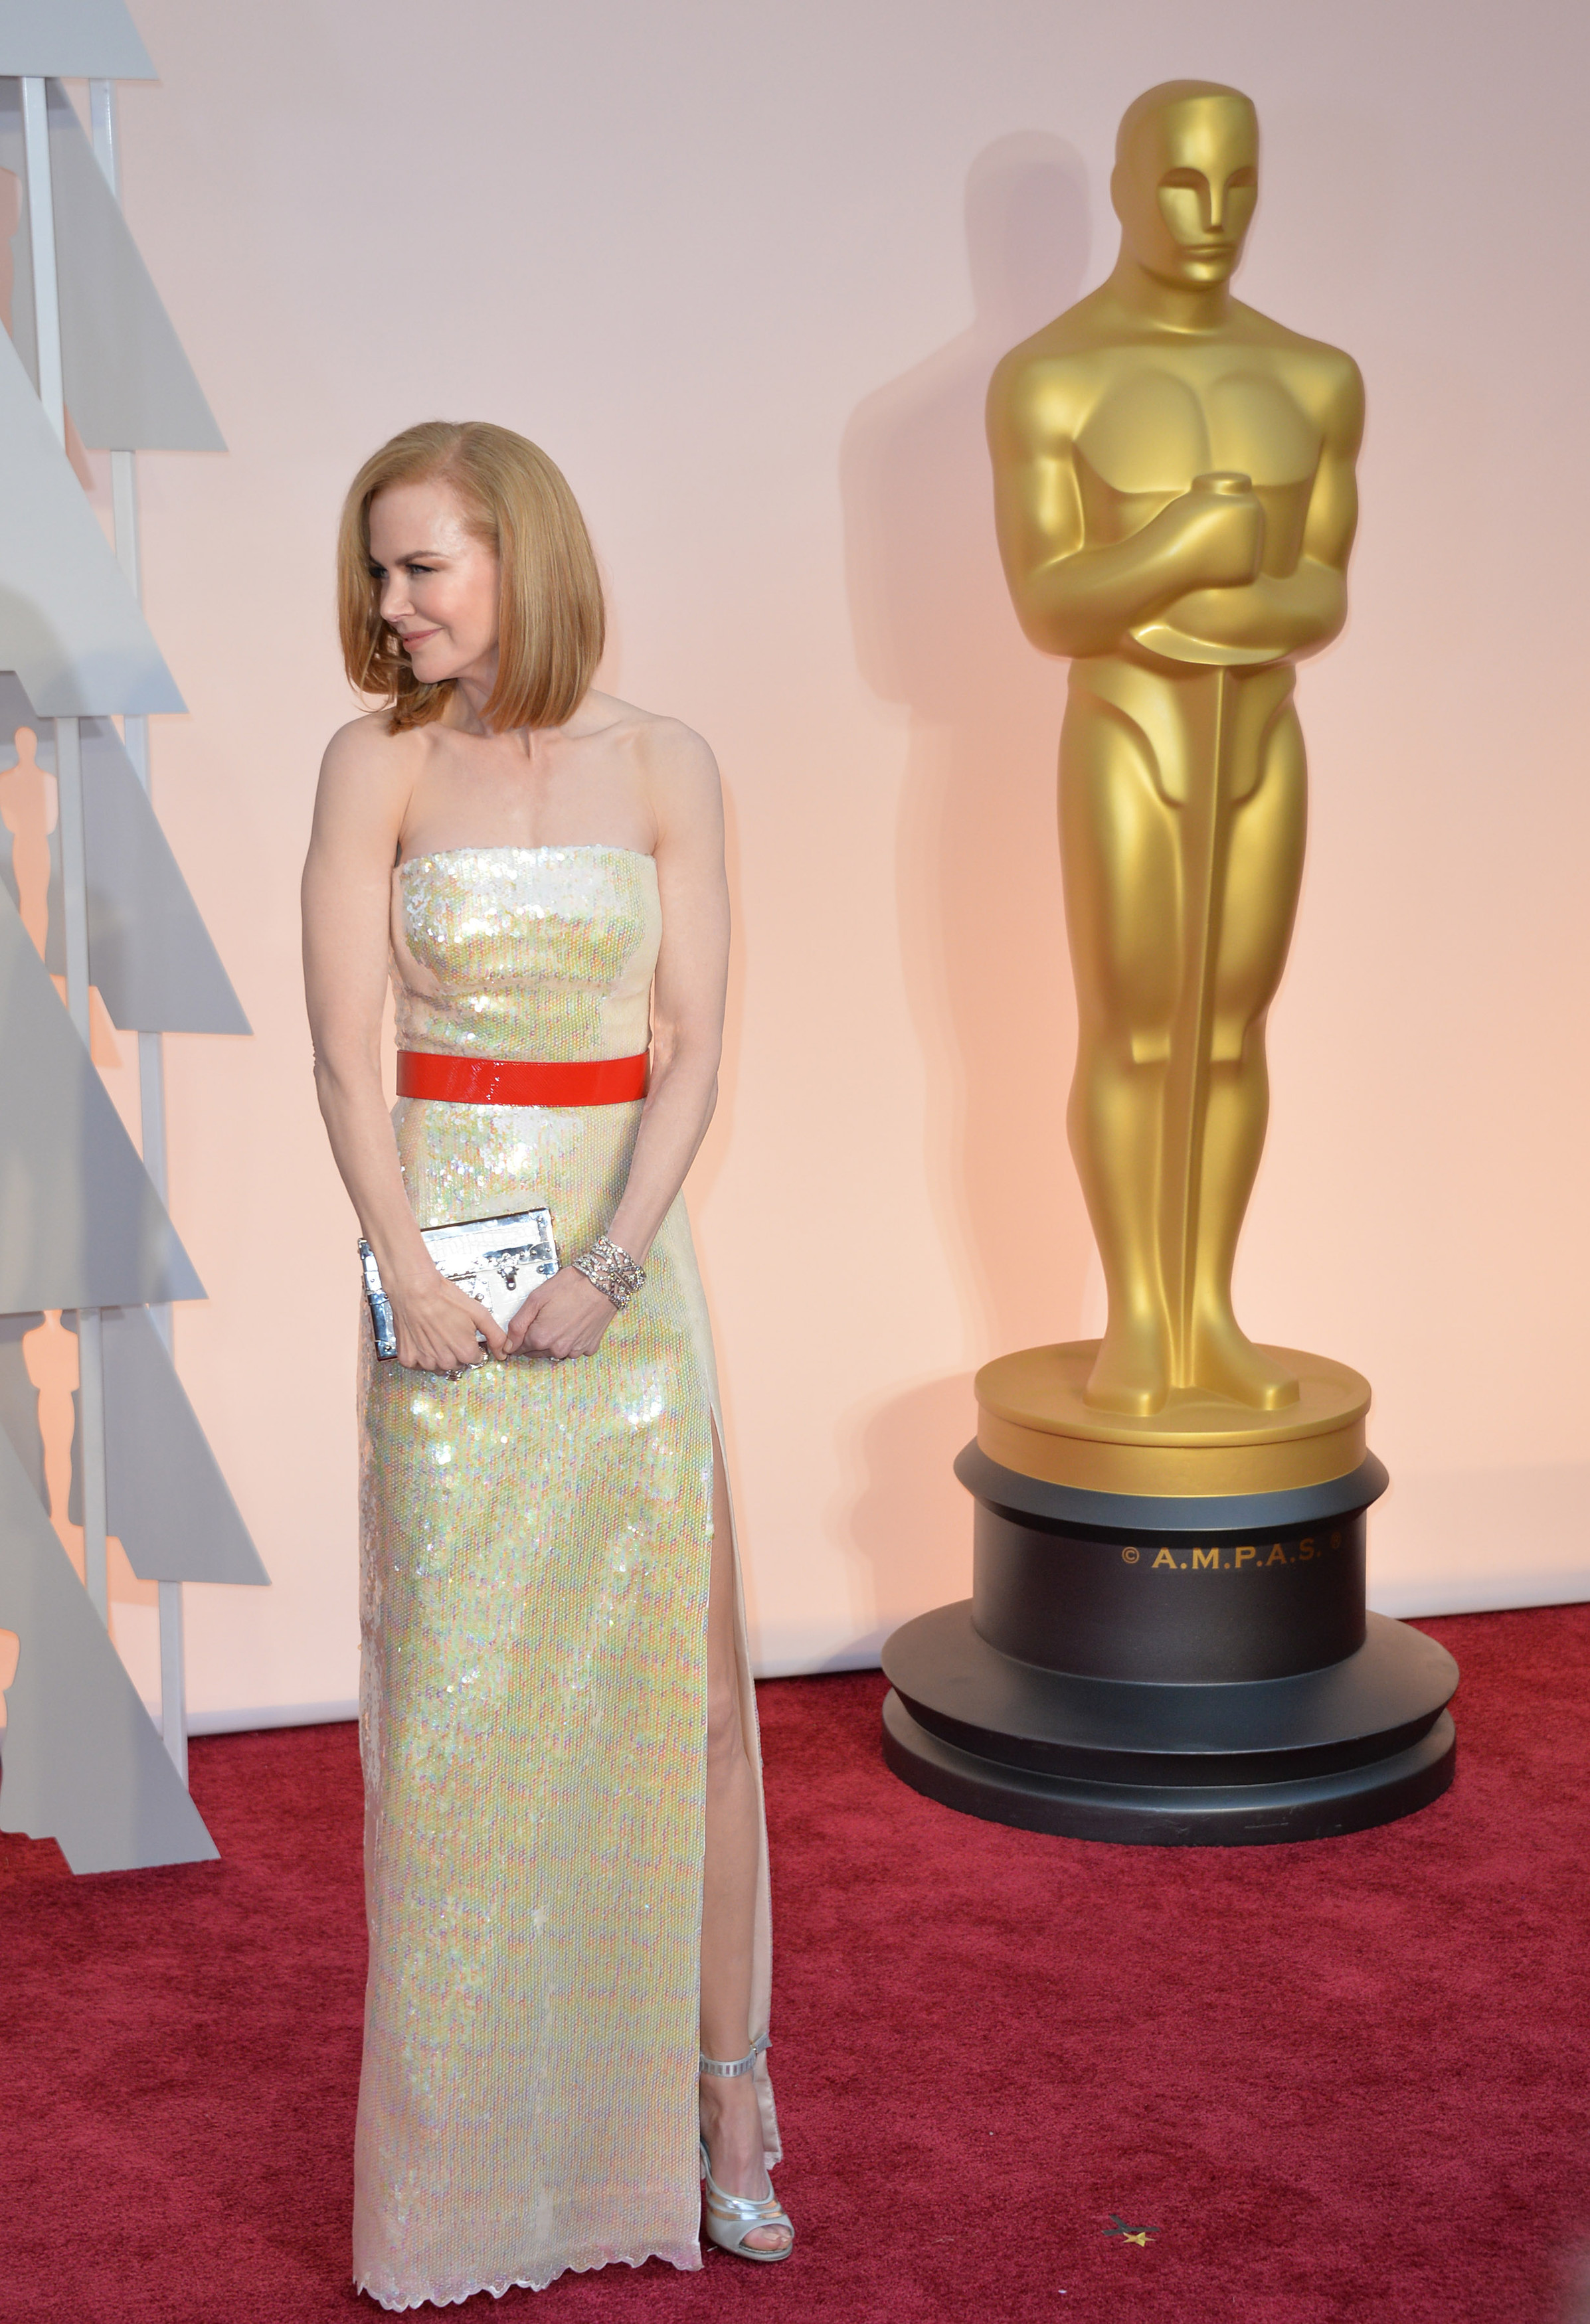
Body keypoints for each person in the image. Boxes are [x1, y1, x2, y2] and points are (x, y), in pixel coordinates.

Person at [302, 420, 793, 2308]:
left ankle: (728, 2108)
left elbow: (693, 1044)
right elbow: (346, 1052)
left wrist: (610, 1266)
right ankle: (477, 2158)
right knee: (456, 1716)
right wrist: (409, 1274)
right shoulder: (374, 765)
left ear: (519, 553)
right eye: (380, 570)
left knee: (694, 1707)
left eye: (421, 564)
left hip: (625, 1275)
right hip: (439, 1279)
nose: (392, 602)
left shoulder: (668, 762)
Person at [987, 81, 1363, 1418]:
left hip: (1260, 730)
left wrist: (1171, 597)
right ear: (1125, 190)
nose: (1212, 215)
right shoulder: (1053, 379)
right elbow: (1052, 606)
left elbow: (1321, 595)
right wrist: (1187, 550)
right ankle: (1140, 1318)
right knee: (1139, 1028)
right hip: (1126, 729)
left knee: (1232, 1030)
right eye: (1181, 184)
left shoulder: (1313, 379)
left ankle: (1209, 1309)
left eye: (1236, 185)